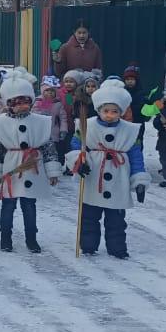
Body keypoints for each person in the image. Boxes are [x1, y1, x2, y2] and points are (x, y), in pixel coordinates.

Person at [0, 69, 63, 253]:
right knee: (8, 205)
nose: (21, 106)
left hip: (31, 168)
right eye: (15, 102)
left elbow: (48, 147)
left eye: (25, 101)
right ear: (7, 103)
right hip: (11, 168)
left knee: (29, 205)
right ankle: (5, 238)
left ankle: (31, 238)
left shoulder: (41, 122)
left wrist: (52, 171)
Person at [67, 79, 150, 259]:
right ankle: (88, 245)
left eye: (115, 112)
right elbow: (76, 145)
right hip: (93, 175)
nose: (110, 115)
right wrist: (79, 162)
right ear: (98, 110)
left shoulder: (130, 130)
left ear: (121, 112)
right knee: (89, 216)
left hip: (118, 178)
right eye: (106, 111)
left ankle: (117, 248)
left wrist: (139, 180)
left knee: (116, 219)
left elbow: (136, 155)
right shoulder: (86, 125)